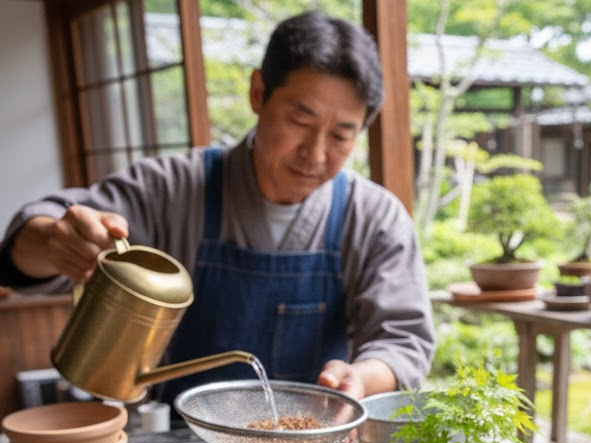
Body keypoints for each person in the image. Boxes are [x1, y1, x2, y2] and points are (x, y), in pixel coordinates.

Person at [0, 12, 434, 407]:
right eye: (300, 121)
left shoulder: (374, 217)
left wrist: (360, 377)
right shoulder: (170, 187)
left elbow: (402, 341)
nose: (315, 154)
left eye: (341, 136)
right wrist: (55, 240)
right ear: (258, 93)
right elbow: (29, 244)